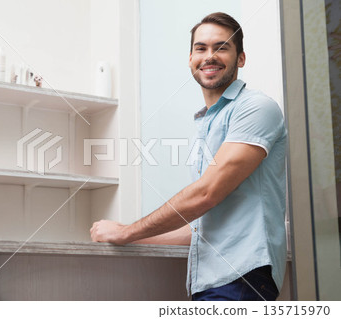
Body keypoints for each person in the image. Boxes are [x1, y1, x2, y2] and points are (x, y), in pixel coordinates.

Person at [90, 12, 287, 301]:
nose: (210, 56)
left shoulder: (256, 108)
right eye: (201, 48)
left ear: (240, 59)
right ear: (191, 60)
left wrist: (127, 232)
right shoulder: (209, 122)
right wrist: (127, 233)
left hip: (242, 280)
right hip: (212, 284)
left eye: (221, 47)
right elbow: (201, 230)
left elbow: (205, 193)